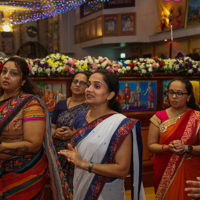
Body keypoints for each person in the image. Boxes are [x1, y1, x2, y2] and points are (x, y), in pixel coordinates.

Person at [58, 69, 145, 200]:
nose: (89, 89)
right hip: (80, 182)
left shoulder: (120, 124)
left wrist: (85, 164)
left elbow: (122, 170)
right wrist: (73, 157)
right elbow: (76, 152)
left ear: (110, 95)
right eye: (88, 85)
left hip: (106, 190)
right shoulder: (80, 117)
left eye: (96, 86)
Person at [0, 57, 67, 200]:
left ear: (23, 81)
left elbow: (34, 145)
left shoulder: (30, 104)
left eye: (13, 73)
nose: (6, 76)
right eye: (4, 71)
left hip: (24, 173)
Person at [148, 77, 200, 200]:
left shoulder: (197, 118)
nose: (174, 96)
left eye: (179, 93)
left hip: (190, 171)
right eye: (171, 92)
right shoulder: (158, 117)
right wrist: (167, 148)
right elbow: (151, 145)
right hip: (164, 169)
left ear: (188, 96)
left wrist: (187, 148)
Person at [52, 72, 90, 193]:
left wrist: (72, 135)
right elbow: (52, 127)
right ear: (70, 85)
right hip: (59, 152)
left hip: (80, 153)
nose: (78, 85)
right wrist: (55, 132)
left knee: (77, 187)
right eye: (75, 81)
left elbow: (92, 131)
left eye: (82, 83)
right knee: (59, 185)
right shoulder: (61, 104)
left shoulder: (90, 107)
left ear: (87, 87)